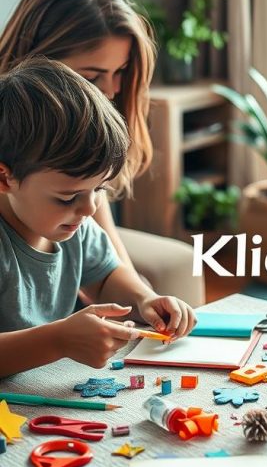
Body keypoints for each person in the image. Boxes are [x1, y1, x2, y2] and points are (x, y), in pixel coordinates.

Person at [0, 0, 203, 307]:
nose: (110, 92)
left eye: (120, 72)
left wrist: (142, 298)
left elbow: (104, 255)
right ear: (35, 64)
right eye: (91, 76)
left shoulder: (75, 199)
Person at [0, 57, 195, 378]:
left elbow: (105, 276)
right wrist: (58, 340)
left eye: (99, 189)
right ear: (6, 179)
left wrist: (144, 299)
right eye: (68, 197)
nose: (90, 208)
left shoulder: (74, 227)